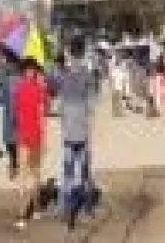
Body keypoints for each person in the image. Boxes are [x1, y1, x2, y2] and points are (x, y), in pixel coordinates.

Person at [60, 36, 96, 229]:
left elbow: (60, 107)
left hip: (67, 133)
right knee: (84, 172)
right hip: (82, 131)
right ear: (82, 52)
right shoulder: (87, 75)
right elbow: (91, 105)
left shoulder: (64, 75)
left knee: (66, 173)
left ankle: (66, 210)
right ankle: (87, 208)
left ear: (69, 52)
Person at [14, 57, 48, 230]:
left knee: (26, 175)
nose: (31, 72)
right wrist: (45, 139)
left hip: (25, 136)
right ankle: (34, 209)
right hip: (32, 137)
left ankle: (25, 213)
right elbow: (42, 116)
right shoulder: (40, 89)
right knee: (33, 174)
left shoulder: (19, 89)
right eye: (31, 70)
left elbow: (18, 114)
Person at [0, 50, 21, 179]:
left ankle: (13, 165)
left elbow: (8, 96)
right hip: (13, 110)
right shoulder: (13, 74)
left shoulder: (10, 76)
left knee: (10, 139)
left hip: (11, 112)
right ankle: (14, 163)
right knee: (13, 139)